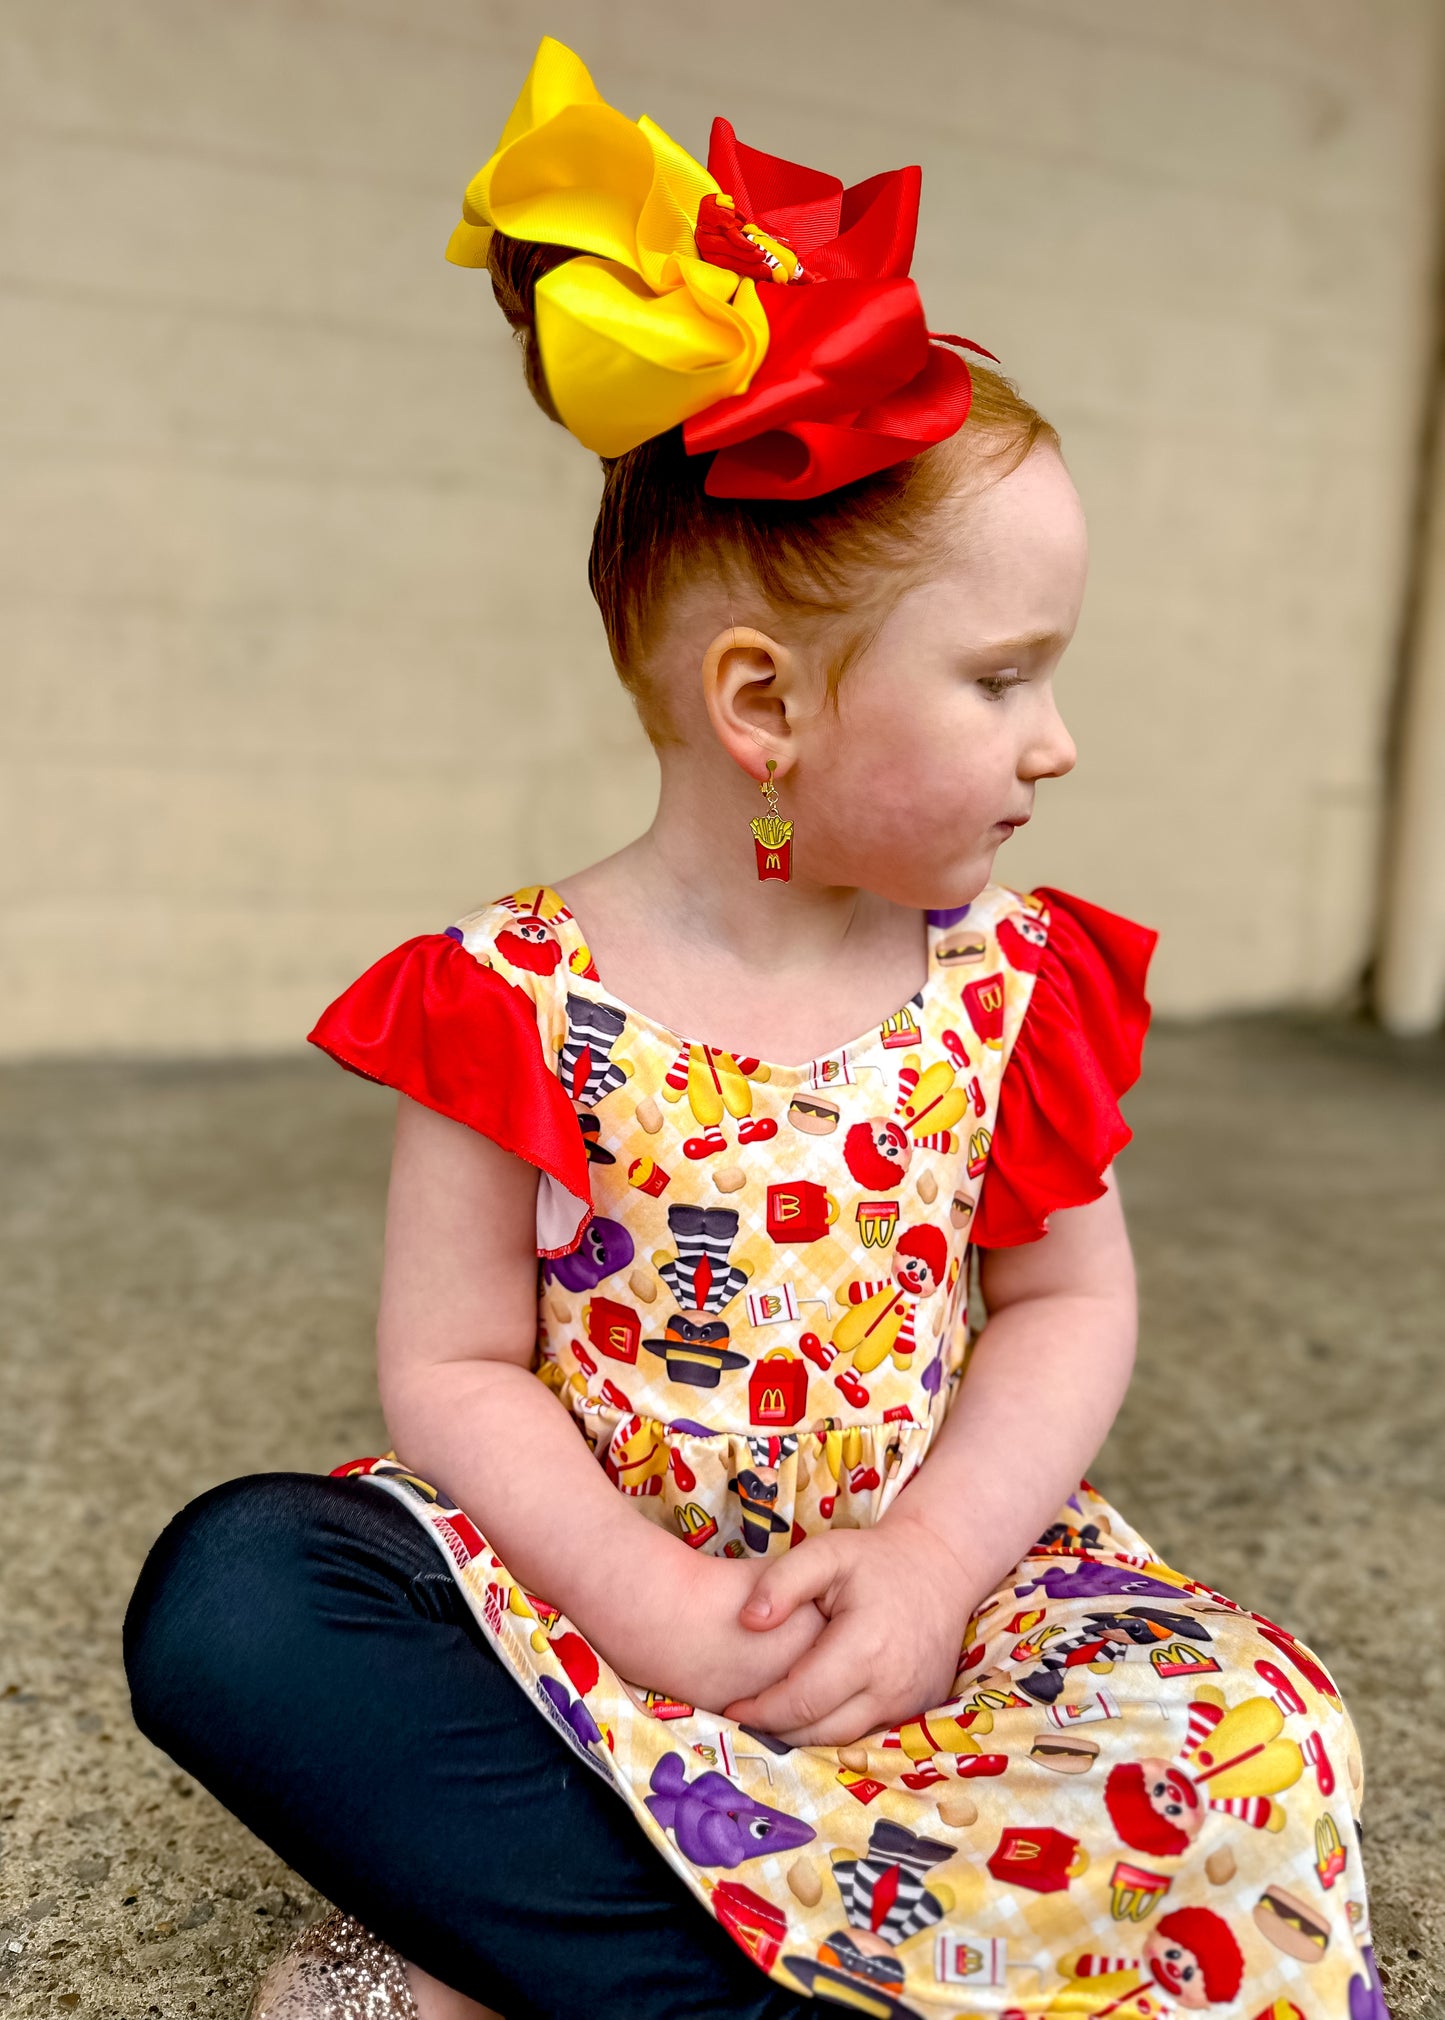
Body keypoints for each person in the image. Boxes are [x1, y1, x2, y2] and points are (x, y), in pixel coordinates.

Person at [122, 36, 1390, 2020]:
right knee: (243, 1600)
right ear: (765, 706)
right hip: (602, 1616)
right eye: (1001, 676)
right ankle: (768, 1951)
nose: (1057, 742)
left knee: (1264, 1730)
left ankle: (588, 1953)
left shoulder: (1012, 980)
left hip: (931, 1622)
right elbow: (453, 1364)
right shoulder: (510, 995)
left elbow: (1065, 1302)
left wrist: (934, 1565)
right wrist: (667, 1620)